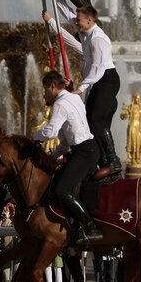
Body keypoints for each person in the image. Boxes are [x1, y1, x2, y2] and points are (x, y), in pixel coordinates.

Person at [43, 0, 122, 176]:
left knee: (94, 119)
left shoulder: (97, 39)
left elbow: (98, 67)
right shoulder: (85, 33)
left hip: (107, 80)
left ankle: (112, 161)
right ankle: (103, 161)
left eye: (79, 21)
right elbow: (67, 15)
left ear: (89, 20)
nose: (75, 23)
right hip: (99, 82)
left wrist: (80, 88)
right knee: (91, 122)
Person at [32, 71, 103, 245]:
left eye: (45, 90)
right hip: (86, 149)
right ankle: (73, 225)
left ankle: (90, 226)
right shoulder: (74, 99)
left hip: (84, 152)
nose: (44, 94)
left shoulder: (61, 103)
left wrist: (32, 138)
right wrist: (52, 156)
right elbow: (64, 141)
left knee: (62, 189)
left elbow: (50, 132)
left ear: (52, 86)